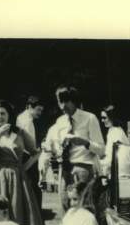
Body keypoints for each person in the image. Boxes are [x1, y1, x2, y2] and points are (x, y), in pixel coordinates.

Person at [0, 99, 46, 225]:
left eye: (2, 113)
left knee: (18, 213)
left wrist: (23, 168)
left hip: (17, 178)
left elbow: (36, 152)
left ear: (10, 115)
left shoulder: (20, 132)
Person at [42, 85, 105, 215]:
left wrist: (84, 142)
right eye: (60, 102)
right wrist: (54, 149)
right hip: (64, 171)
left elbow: (101, 150)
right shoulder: (60, 121)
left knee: (85, 211)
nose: (62, 106)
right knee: (66, 208)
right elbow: (54, 147)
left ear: (74, 101)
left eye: (66, 101)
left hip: (83, 169)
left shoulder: (90, 118)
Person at [16, 95, 46, 209]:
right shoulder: (27, 122)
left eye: (41, 110)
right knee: (34, 194)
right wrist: (42, 148)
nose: (40, 113)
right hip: (28, 161)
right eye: (38, 109)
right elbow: (31, 149)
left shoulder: (20, 118)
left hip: (22, 158)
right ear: (29, 107)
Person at [100, 105, 129, 178]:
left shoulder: (116, 132)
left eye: (104, 118)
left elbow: (112, 157)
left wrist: (98, 163)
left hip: (120, 174)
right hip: (116, 172)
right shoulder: (112, 130)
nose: (102, 120)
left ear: (112, 117)